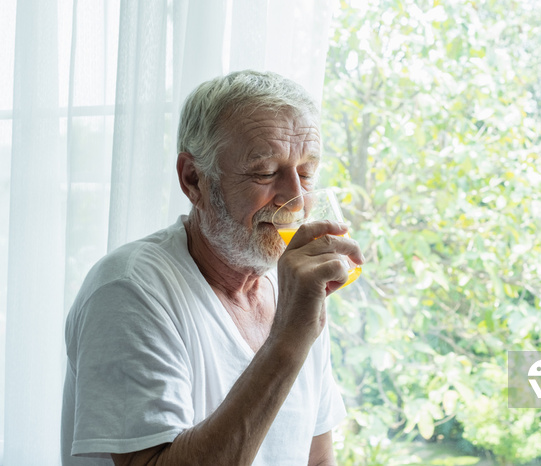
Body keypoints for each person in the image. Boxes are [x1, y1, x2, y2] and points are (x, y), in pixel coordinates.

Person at [61, 70, 364, 465]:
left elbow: (318, 460)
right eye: (266, 172)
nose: (297, 198)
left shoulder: (292, 291)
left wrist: (297, 323)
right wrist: (290, 336)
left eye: (306, 173)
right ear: (194, 180)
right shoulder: (128, 289)